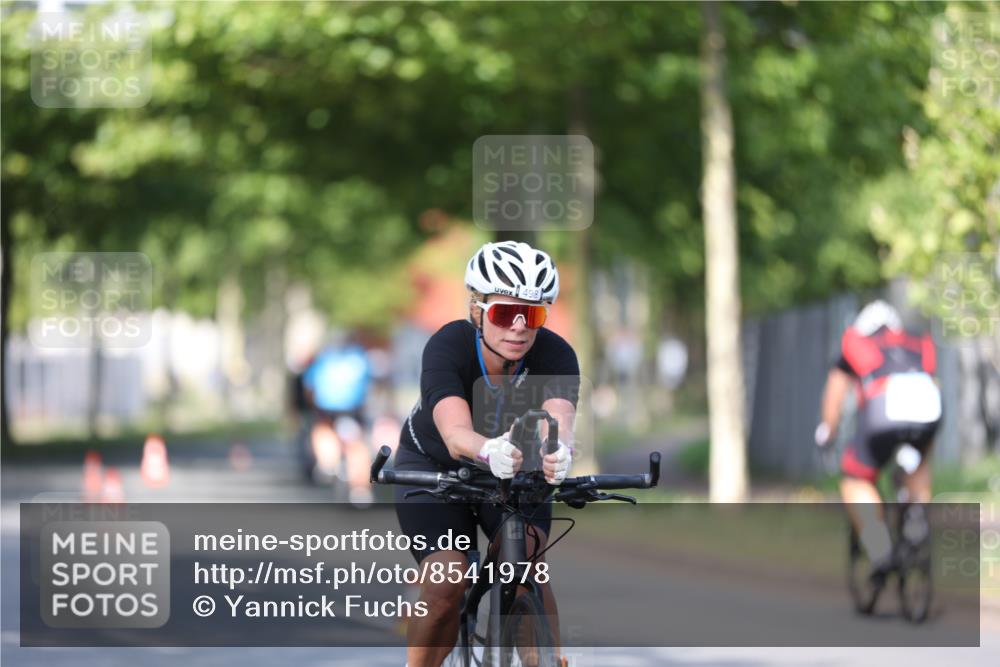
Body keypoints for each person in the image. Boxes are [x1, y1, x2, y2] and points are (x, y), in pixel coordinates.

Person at [392, 240, 578, 667]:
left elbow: (558, 421)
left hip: (514, 471)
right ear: (477, 309)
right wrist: (486, 448)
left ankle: (546, 661)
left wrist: (559, 453)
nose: (518, 327)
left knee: (529, 560)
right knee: (445, 583)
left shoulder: (555, 354)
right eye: (503, 313)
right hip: (435, 467)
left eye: (531, 315)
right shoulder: (450, 345)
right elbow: (456, 432)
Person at [815, 300, 942, 584]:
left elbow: (835, 394)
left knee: (855, 478)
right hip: (928, 408)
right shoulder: (915, 342)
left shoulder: (858, 343)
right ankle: (916, 517)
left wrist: (827, 431)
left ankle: (879, 548)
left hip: (884, 410)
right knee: (918, 463)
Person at [302, 334, 375, 506]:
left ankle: (327, 463)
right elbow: (369, 386)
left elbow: (309, 388)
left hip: (327, 407)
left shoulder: (323, 358)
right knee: (357, 444)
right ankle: (361, 489)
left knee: (322, 428)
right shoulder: (360, 357)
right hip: (353, 408)